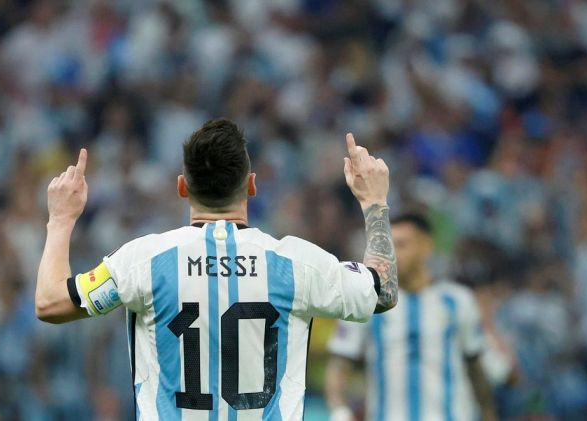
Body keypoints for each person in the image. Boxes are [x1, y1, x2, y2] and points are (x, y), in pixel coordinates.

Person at [35, 118, 398, 419]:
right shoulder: (296, 264)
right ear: (251, 185)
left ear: (182, 187)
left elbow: (50, 303)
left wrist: (61, 219)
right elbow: (381, 292)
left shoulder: (143, 261)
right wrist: (374, 202)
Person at [324, 213, 497, 421]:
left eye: (402, 244)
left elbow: (475, 368)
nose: (393, 254)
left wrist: (488, 414)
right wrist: (340, 412)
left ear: (426, 246)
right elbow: (339, 365)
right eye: (389, 247)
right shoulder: (366, 301)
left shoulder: (458, 300)